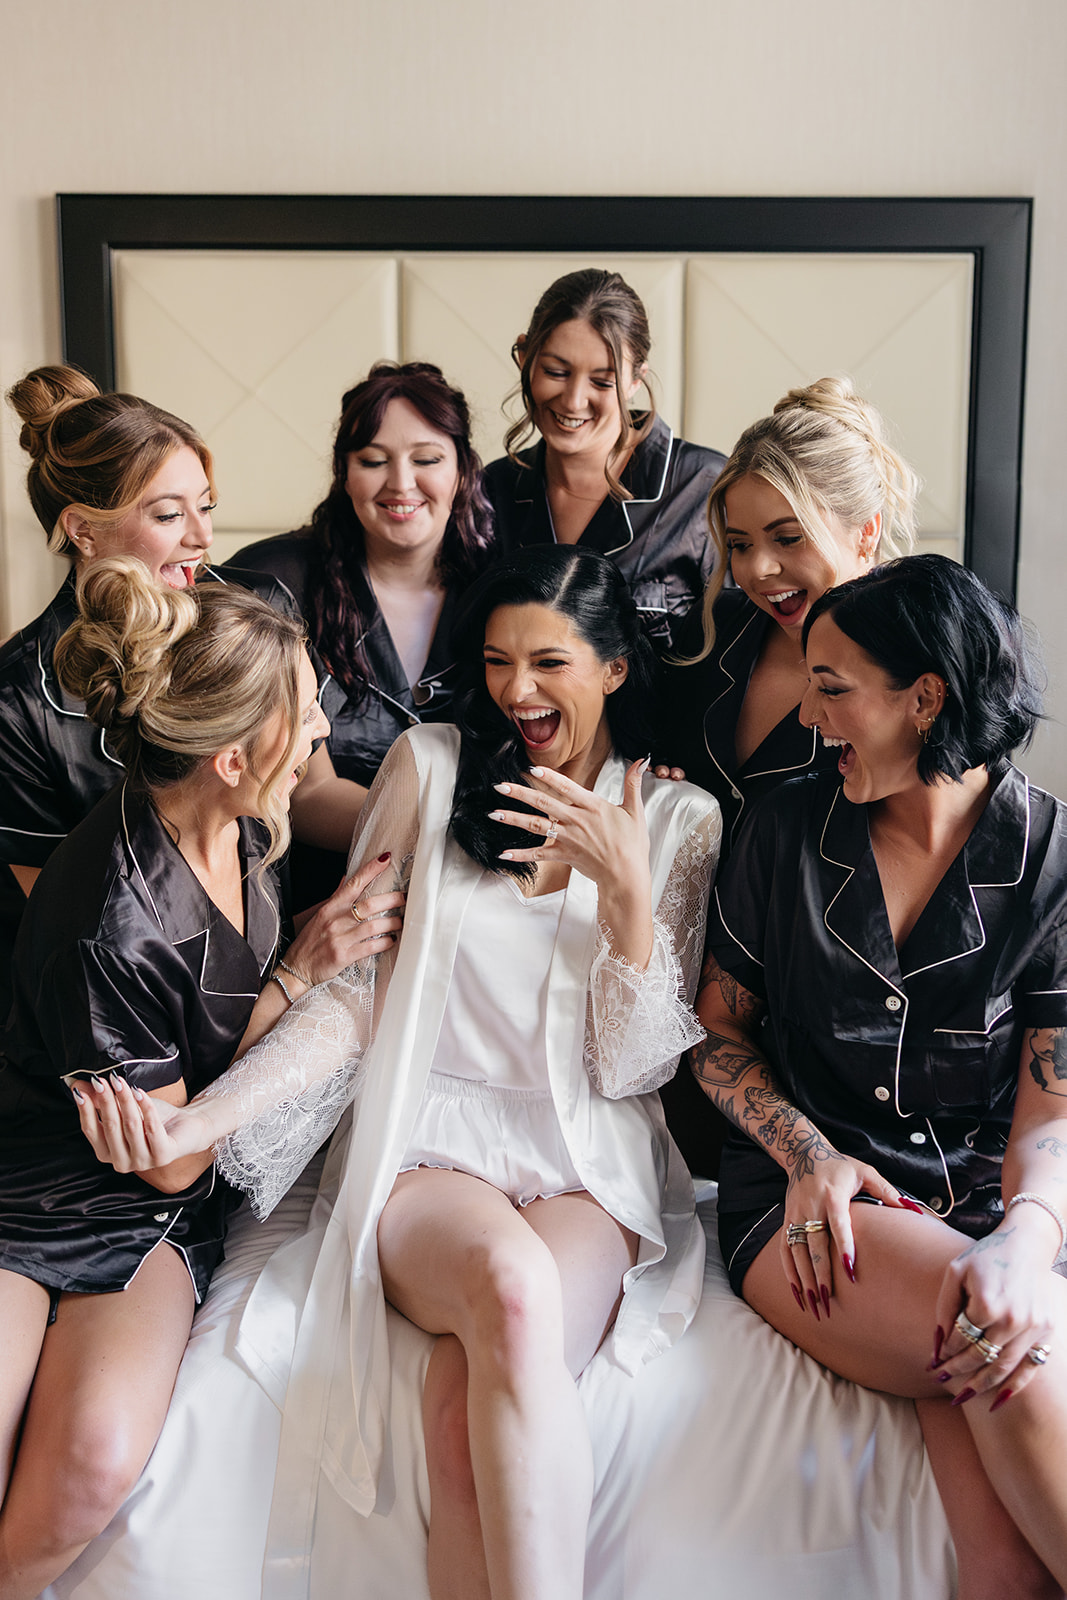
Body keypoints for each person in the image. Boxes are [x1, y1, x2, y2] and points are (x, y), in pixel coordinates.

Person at [81, 547, 722, 1600]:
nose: (517, 690)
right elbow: (356, 998)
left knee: (459, 1412)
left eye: (549, 663)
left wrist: (626, 895)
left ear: (613, 669)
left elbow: (631, 1068)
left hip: (585, 1164)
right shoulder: (430, 768)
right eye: (498, 661)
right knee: (509, 1293)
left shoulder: (677, 819)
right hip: (432, 1147)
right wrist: (204, 1119)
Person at [0, 558, 403, 1600]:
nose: (321, 730)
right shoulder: (112, 926)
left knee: (91, 1460)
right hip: (43, 1186)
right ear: (231, 756)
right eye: (304, 715)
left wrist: (301, 961)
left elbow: (199, 1080)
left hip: (153, 1205)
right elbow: (173, 1163)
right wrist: (296, 984)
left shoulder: (245, 822)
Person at [696, 553, 1067, 1598]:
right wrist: (805, 1152)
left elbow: (1049, 1113)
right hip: (811, 1199)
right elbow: (713, 1033)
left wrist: (1026, 1241)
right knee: (986, 1327)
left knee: (1005, 1567)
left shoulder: (1050, 861)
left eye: (831, 688)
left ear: (924, 698)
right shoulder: (780, 829)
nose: (807, 717)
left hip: (989, 1201)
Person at [0, 366, 362, 1008]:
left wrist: (424, 825)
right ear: (82, 529)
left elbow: (309, 791)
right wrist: (291, 977)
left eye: (206, 506)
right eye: (169, 514)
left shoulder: (257, 611)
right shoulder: (17, 701)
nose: (203, 537)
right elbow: (71, 936)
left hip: (272, 969)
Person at [657, 376, 919, 854]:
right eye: (740, 545)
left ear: (866, 531)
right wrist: (658, 785)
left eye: (788, 538)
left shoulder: (918, 666)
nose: (757, 569)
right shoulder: (714, 627)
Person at [227, 360, 496, 795]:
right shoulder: (272, 582)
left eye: (426, 459)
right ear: (345, 475)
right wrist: (435, 829)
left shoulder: (502, 586)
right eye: (373, 461)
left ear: (462, 470)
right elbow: (300, 789)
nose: (401, 483)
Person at [484, 269, 725, 651]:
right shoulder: (492, 490)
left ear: (635, 380)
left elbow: (744, 652)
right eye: (555, 372)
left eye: (602, 381)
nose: (573, 400)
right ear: (524, 357)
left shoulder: (704, 487)